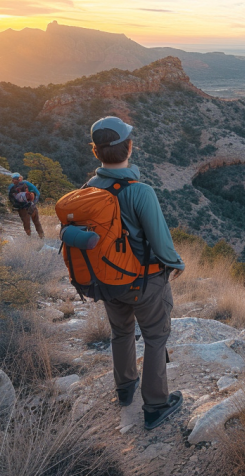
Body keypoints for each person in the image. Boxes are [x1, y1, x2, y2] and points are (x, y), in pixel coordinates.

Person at [86, 116, 185, 430]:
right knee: (156, 337)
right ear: (130, 147)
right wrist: (177, 264)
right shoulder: (140, 191)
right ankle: (155, 406)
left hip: (106, 281)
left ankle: (125, 388)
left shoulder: (89, 188)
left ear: (95, 151)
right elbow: (161, 242)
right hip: (143, 282)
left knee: (121, 332)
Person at [7, 172, 44, 238]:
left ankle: (30, 240)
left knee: (26, 225)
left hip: (22, 209)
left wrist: (14, 206)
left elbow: (10, 198)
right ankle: (42, 237)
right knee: (36, 222)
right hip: (31, 206)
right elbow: (37, 193)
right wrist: (34, 202)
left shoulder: (11, 187)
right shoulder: (26, 183)